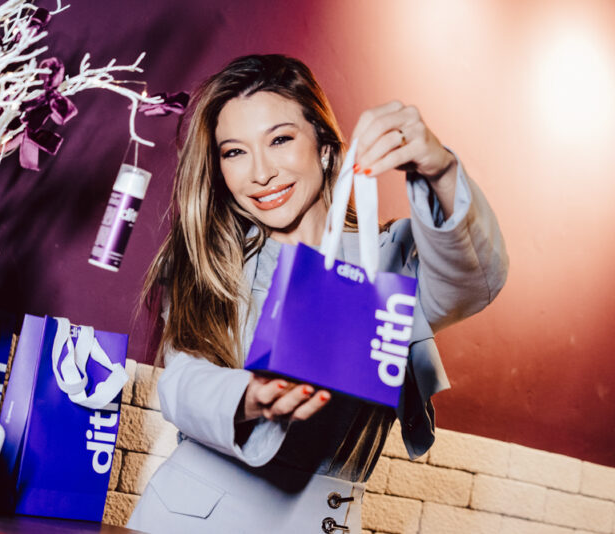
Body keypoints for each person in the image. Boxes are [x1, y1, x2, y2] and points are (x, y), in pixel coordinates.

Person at [127, 54, 508, 533]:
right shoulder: (210, 262)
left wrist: (440, 169)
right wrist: (249, 396)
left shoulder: (390, 258)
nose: (260, 173)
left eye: (280, 139)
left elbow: (474, 278)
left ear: (325, 148)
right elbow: (180, 382)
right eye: (234, 152)